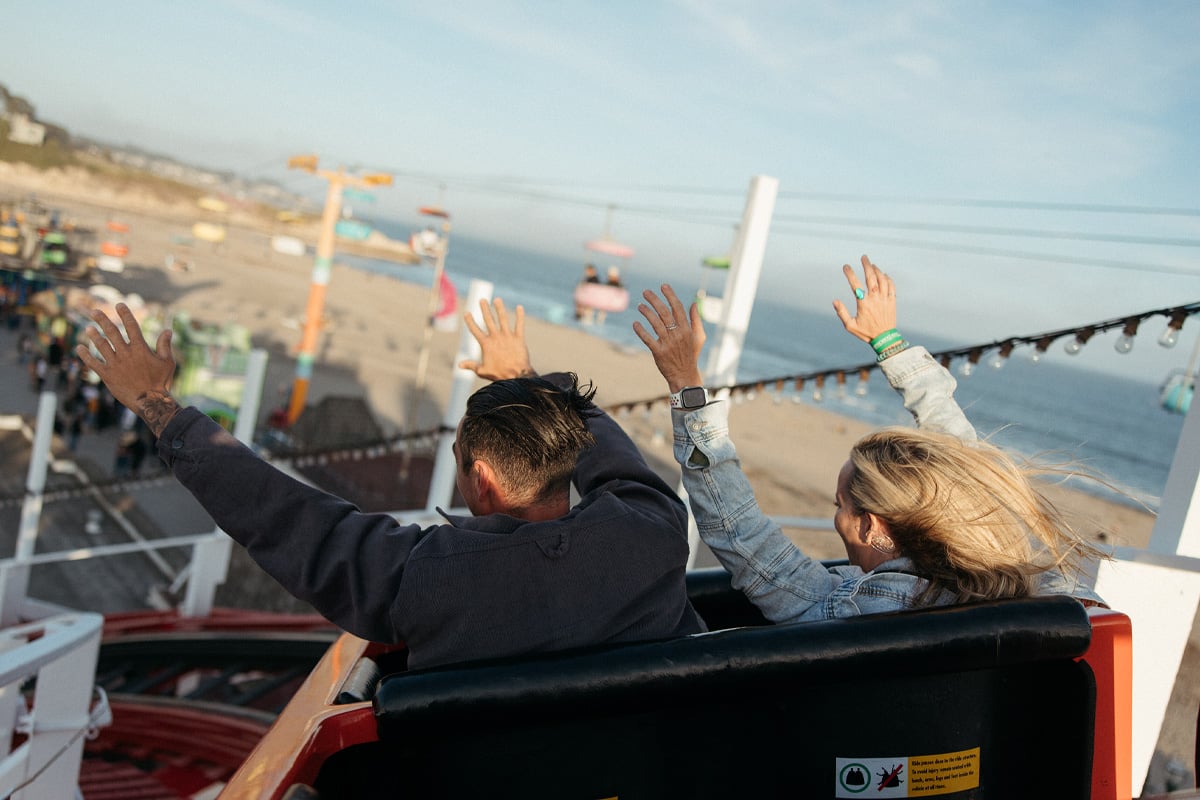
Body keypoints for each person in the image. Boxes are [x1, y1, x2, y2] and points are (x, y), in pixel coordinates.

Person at [77, 299, 704, 669]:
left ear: (479, 479)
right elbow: (616, 461)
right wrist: (530, 378)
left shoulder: (426, 579)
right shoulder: (652, 534)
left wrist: (156, 404)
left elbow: (282, 514)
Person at [633, 255, 1105, 624]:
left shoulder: (847, 610)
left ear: (872, 526)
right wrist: (889, 343)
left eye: (840, 504)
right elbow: (961, 463)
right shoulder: (1021, 587)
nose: (836, 515)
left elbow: (738, 530)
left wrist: (685, 383)